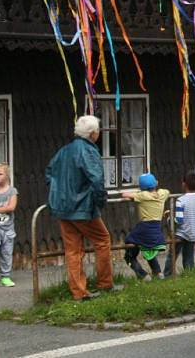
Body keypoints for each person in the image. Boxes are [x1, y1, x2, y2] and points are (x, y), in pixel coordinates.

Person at [45, 115, 117, 301]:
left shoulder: (63, 151)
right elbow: (96, 179)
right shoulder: (89, 151)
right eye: (98, 130)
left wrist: (57, 192)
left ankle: (78, 291)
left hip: (62, 207)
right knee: (102, 240)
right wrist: (100, 201)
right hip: (83, 207)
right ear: (93, 133)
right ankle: (105, 283)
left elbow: (49, 173)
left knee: (73, 249)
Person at [122, 173, 169, 280]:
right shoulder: (163, 194)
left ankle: (143, 275)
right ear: (156, 183)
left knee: (128, 252)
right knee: (148, 248)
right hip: (156, 228)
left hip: (144, 228)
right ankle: (158, 273)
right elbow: (166, 191)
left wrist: (137, 193)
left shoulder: (142, 196)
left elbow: (124, 195)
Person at [164, 172, 195, 276]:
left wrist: (169, 219)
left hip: (181, 233)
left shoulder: (181, 200)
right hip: (194, 232)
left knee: (172, 254)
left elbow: (179, 220)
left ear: (184, 184)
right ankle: (189, 273)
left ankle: (167, 275)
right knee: (189, 256)